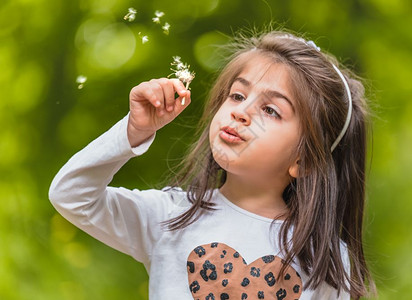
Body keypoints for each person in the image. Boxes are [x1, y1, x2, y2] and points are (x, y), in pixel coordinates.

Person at [49, 30, 376, 299]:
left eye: (271, 110)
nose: (241, 111)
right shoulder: (171, 215)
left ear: (303, 160)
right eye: (237, 95)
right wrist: (134, 131)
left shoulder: (324, 258)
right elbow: (72, 196)